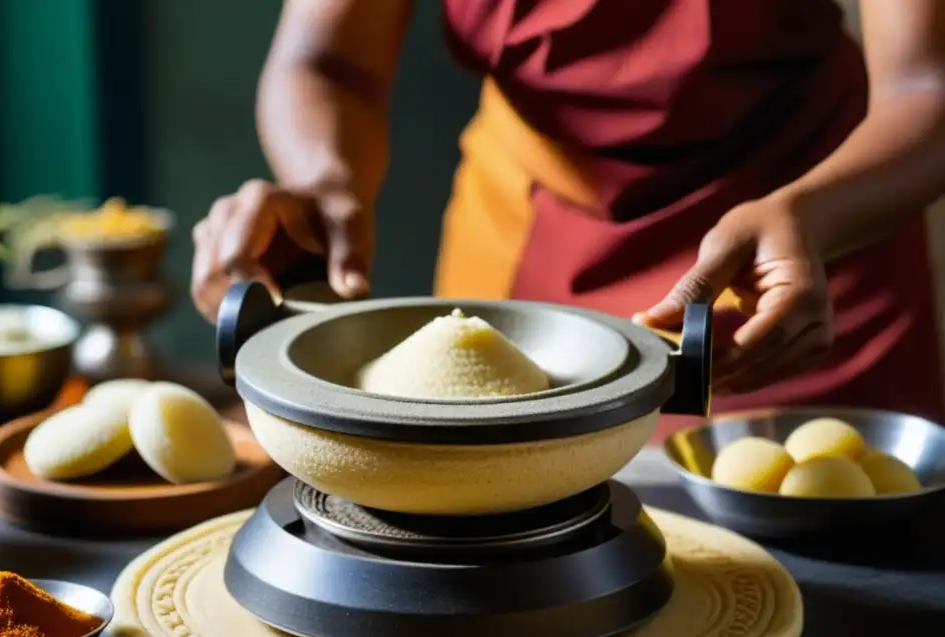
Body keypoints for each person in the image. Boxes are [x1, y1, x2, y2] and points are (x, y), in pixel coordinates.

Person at [191, 0, 945, 423]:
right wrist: (324, 180)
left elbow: (925, 87)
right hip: (533, 236)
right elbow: (328, 60)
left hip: (800, 240)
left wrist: (812, 215)